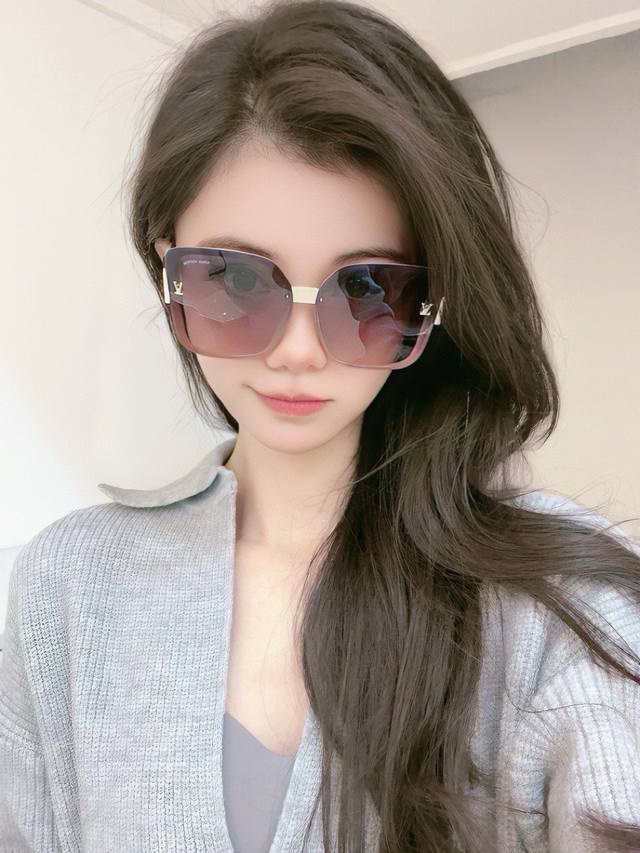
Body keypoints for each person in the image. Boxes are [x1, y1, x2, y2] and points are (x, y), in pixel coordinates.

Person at [1, 0, 639, 851]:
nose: (297, 350)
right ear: (169, 267)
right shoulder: (67, 586)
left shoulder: (558, 604)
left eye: (365, 288)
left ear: (431, 305)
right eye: (236, 277)